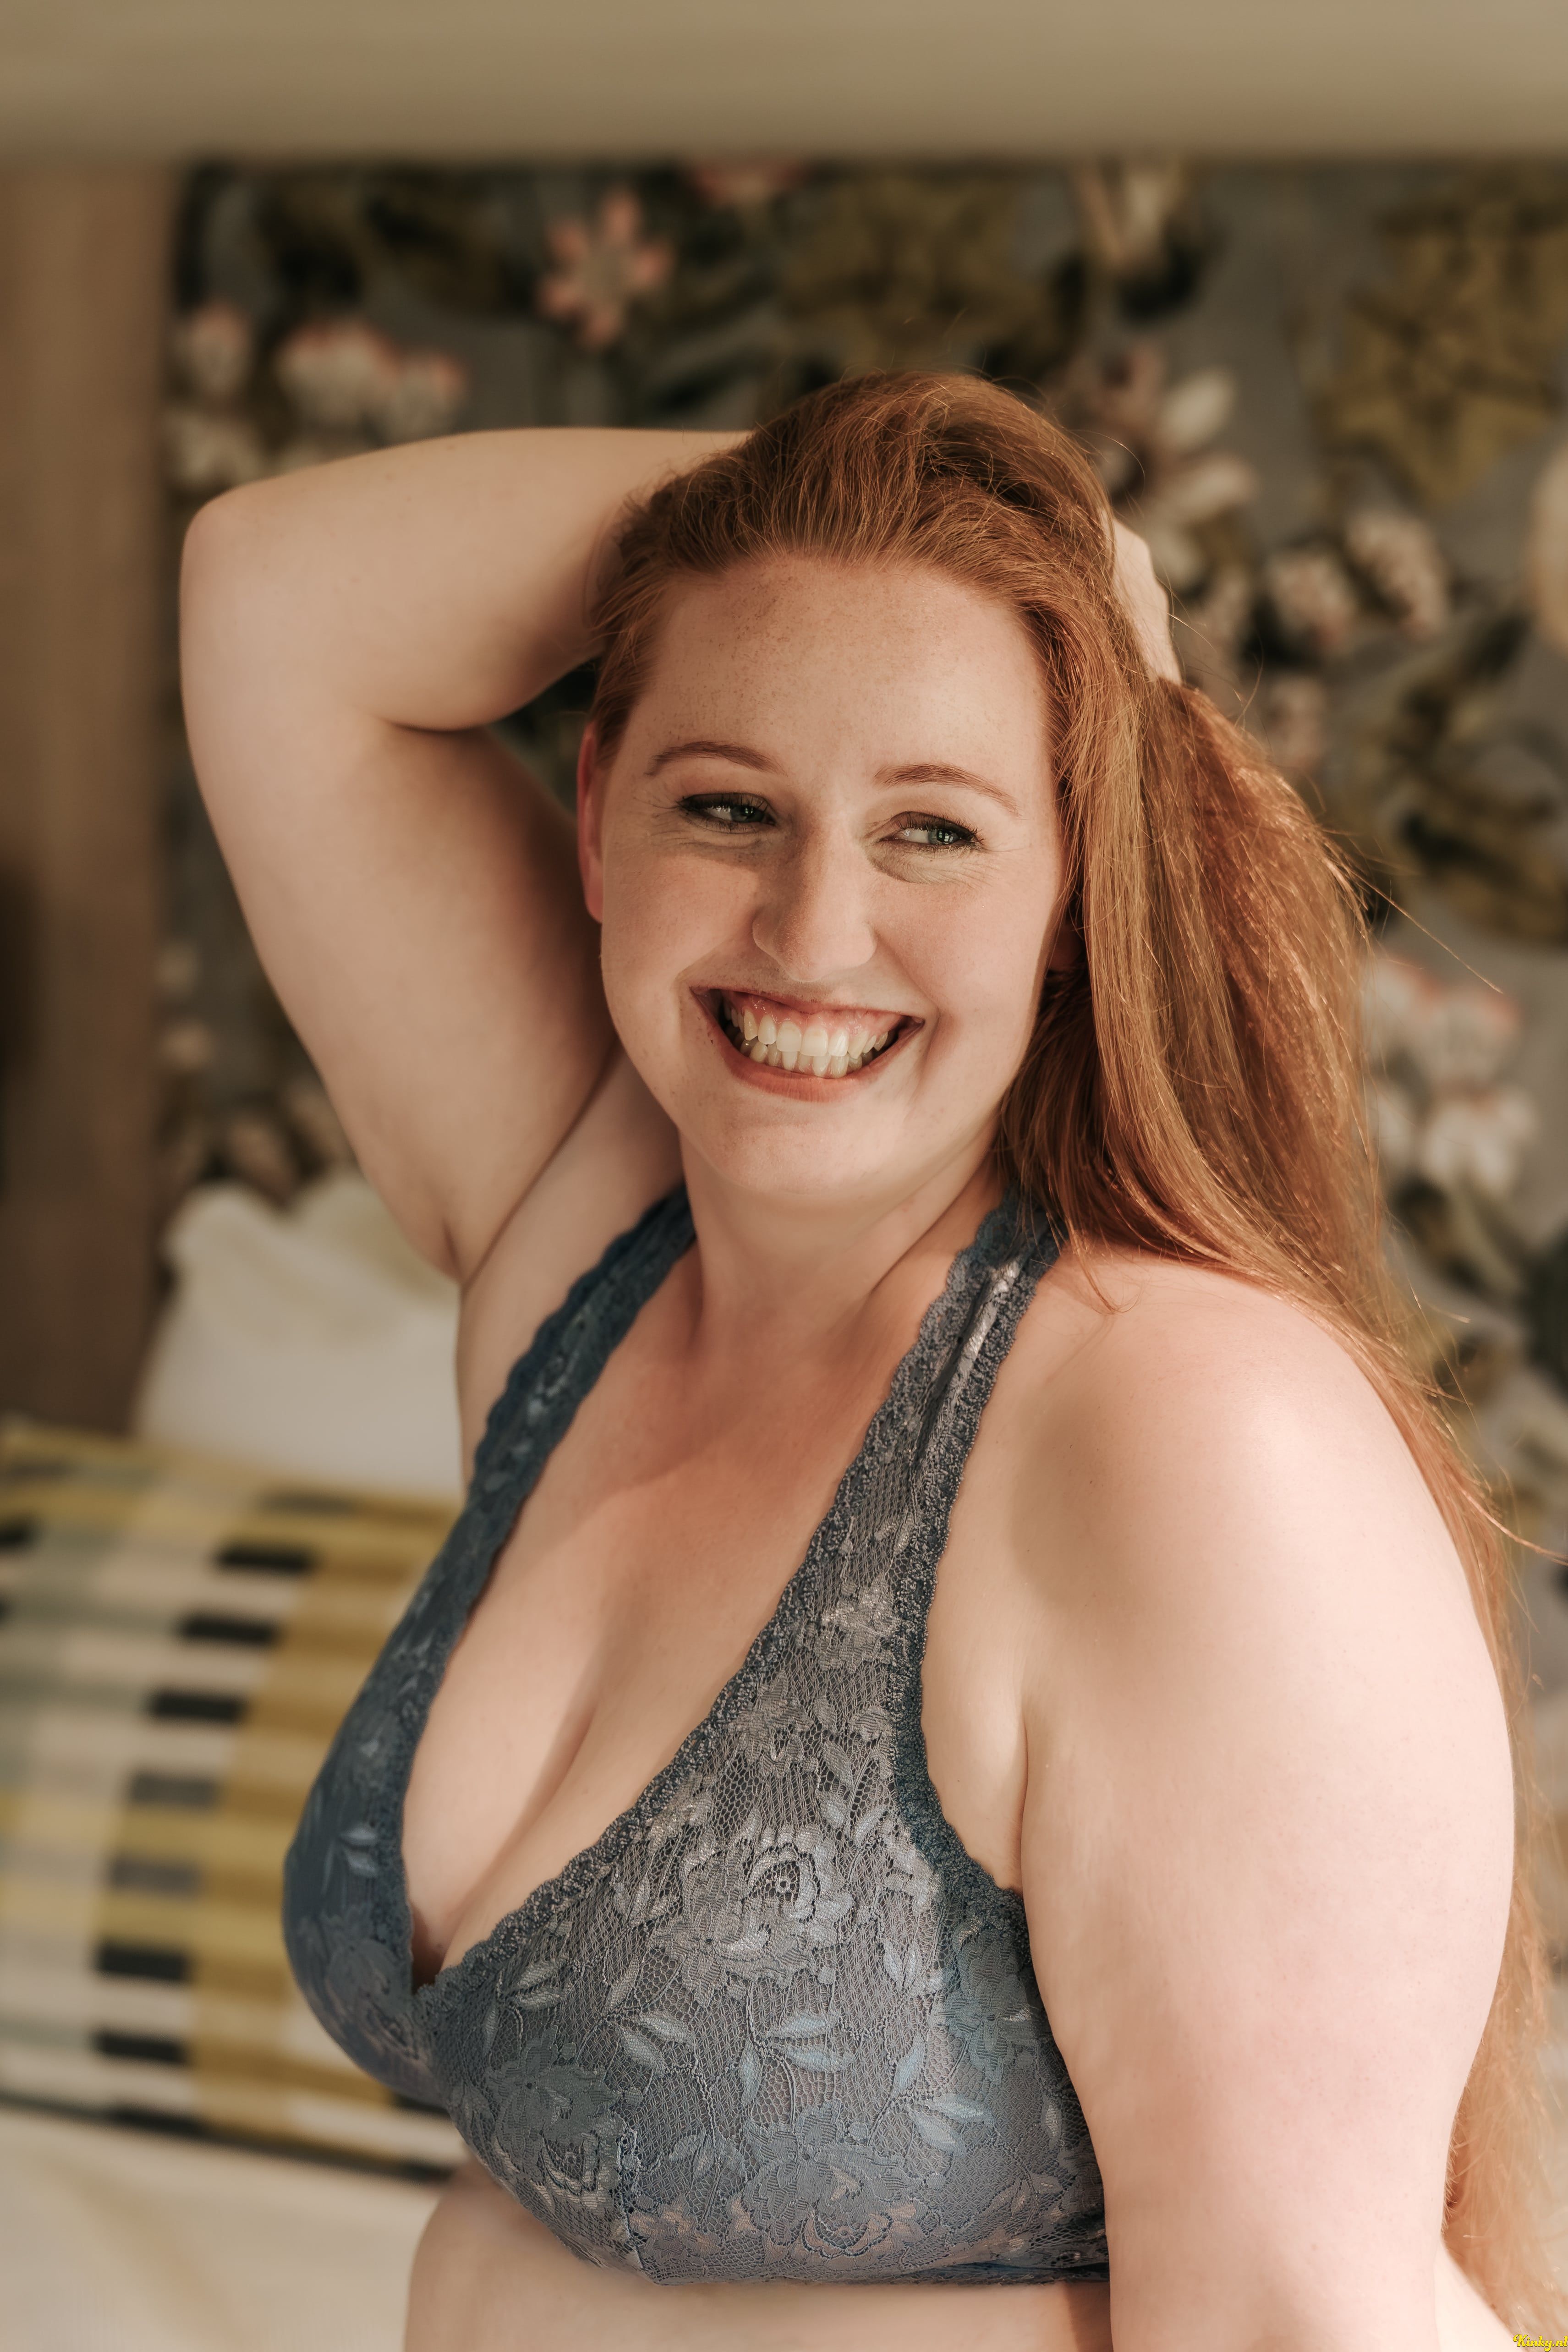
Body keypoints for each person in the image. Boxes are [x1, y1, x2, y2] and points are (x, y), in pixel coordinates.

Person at [180, 373, 1559, 2352]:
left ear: (1075, 891)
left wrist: (1019, 541)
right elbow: (267, 594)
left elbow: (1286, 2321)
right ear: (598, 814)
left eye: (933, 830)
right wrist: (870, 521)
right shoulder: (590, 1235)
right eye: (727, 806)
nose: (813, 930)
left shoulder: (1186, 1440)